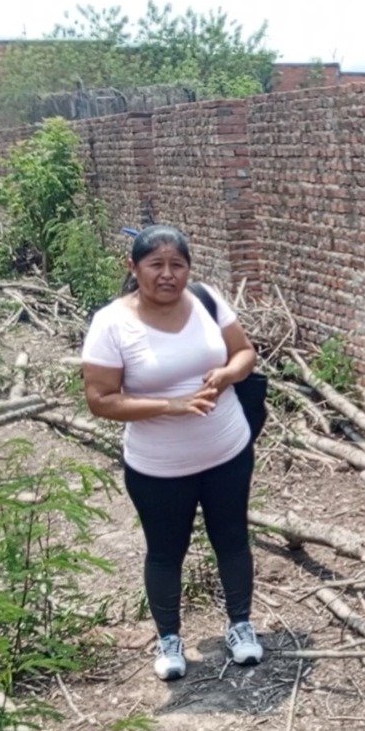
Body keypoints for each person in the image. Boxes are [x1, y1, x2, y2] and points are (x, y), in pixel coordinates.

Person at [81, 224, 263, 681]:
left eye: (177, 265)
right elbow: (100, 398)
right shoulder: (111, 323)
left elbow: (245, 353)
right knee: (165, 551)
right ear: (133, 267)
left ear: (189, 268)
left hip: (227, 450)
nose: (168, 275)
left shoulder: (206, 299)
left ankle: (240, 625)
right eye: (155, 265)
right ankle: (169, 638)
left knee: (233, 539)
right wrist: (171, 405)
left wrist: (224, 376)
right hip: (158, 467)